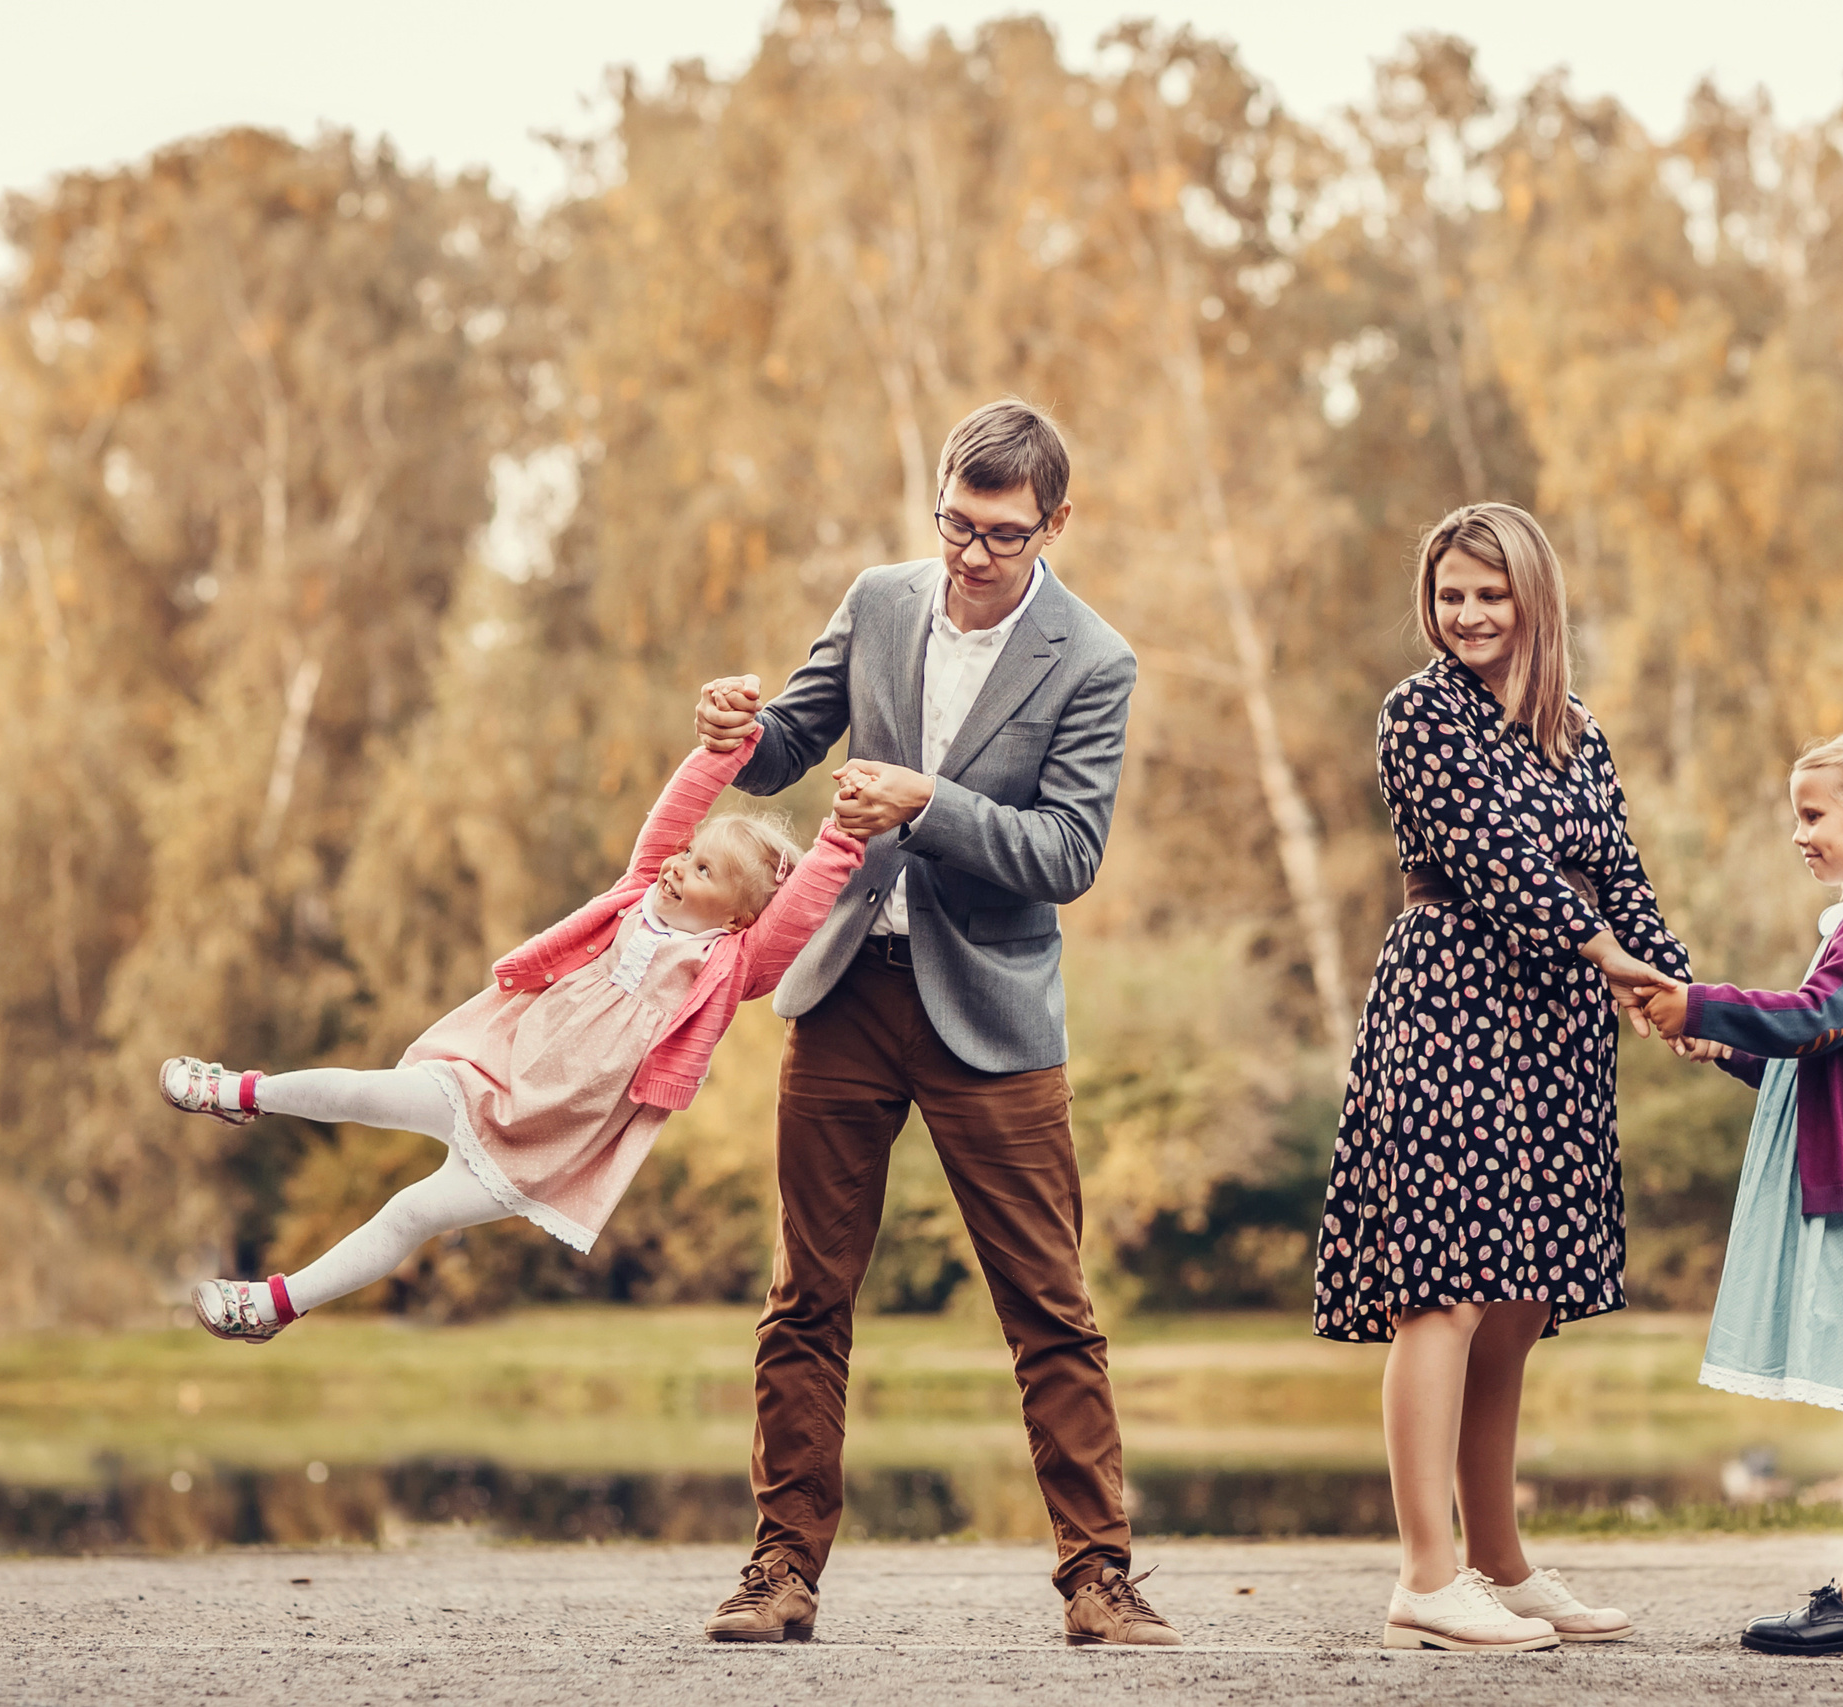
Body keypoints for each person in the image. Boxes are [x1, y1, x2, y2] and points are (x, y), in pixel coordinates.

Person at [688, 398, 1175, 1649]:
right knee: (805, 1298)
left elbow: (1067, 854)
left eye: (1002, 534)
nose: (970, 553)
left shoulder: (1094, 660)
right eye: (957, 523)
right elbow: (787, 744)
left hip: (995, 1013)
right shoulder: (878, 599)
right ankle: (779, 1572)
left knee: (1049, 1308)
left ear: (1055, 525)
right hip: (843, 987)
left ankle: (1098, 1581)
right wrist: (736, 730)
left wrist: (927, 804)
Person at [1312, 502, 1689, 1653]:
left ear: (1535, 600)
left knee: (1519, 1300)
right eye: (1451, 596)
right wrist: (1609, 958)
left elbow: (1620, 877)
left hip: (1555, 1028)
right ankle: (1426, 1576)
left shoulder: (1576, 728)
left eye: (1490, 594)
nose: (1469, 615)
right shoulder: (1420, 713)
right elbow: (1500, 864)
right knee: (1445, 1287)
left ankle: (1500, 1564)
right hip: (1452, 1008)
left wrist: (1689, 1005)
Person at [160, 726, 864, 1338]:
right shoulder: (638, 892)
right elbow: (676, 808)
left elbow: (798, 912)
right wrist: (730, 746)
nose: (680, 865)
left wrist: (845, 833)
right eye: (690, 853)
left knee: (409, 1214)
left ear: (738, 917)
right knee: (366, 1094)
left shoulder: (729, 966)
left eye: (704, 869)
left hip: (545, 1140)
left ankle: (272, 1305)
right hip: (491, 1074)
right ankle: (241, 1093)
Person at [1620, 727, 1843, 1660]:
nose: (1799, 834)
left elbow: (1819, 1019)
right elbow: (1815, 1057)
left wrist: (1703, 1001)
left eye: (1814, 815)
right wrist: (1723, 1042)